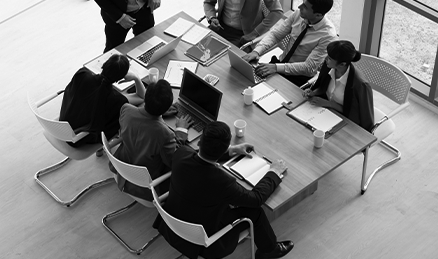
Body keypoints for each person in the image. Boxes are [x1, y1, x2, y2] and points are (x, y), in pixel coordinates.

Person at [154, 121, 293, 259]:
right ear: (224, 147)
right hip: (206, 242)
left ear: (199, 142)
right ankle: (269, 250)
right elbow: (256, 199)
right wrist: (274, 172)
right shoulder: (222, 181)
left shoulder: (181, 154)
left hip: (171, 225)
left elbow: (197, 156)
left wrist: (231, 150)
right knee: (255, 212)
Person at [111, 79, 192, 201]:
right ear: (166, 108)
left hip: (122, 165)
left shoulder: (126, 109)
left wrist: (160, 114)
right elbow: (173, 160)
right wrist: (181, 130)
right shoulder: (165, 134)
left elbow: (142, 124)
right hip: (145, 183)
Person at [243, 0, 338, 87]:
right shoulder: (298, 14)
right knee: (246, 83)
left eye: (305, 7)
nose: (299, 7)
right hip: (278, 64)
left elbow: (308, 67)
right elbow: (276, 35)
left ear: (318, 15)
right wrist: (256, 51)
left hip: (298, 77)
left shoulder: (328, 36)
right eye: (302, 2)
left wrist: (276, 68)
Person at [59, 54, 145, 148]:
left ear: (104, 65)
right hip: (78, 138)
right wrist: (136, 78)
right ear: (121, 77)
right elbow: (141, 97)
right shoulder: (117, 100)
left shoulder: (82, 75)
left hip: (62, 126)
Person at [303, 40, 375, 131]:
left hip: (346, 122)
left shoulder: (360, 85)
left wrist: (329, 104)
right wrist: (313, 92)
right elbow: (323, 86)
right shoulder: (328, 66)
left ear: (342, 64)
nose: (325, 59)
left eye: (329, 58)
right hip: (325, 113)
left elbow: (358, 115)